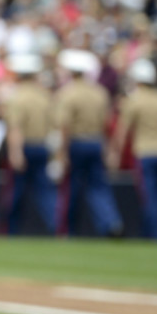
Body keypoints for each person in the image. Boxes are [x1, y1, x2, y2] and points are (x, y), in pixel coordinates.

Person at [55, 49, 123, 237]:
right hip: (96, 142)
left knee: (70, 189)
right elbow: (106, 124)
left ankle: (67, 229)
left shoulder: (67, 94)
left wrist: (61, 153)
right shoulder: (99, 93)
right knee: (99, 187)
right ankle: (111, 222)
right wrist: (110, 149)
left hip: (76, 143)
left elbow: (64, 126)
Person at [111, 59, 157, 239]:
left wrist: (115, 154)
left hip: (145, 153)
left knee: (150, 199)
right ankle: (147, 234)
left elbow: (122, 132)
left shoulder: (134, 101)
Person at [2, 54, 56, 235]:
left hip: (24, 147)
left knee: (15, 193)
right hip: (42, 146)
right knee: (45, 192)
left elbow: (15, 128)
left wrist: (15, 152)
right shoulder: (44, 96)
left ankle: (10, 231)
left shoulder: (17, 97)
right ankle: (56, 227)